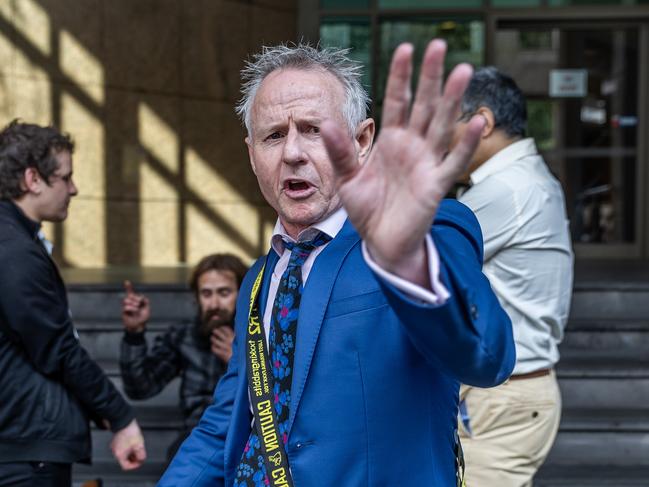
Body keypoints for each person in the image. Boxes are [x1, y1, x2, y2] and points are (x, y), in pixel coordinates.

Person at [159, 41, 516, 487]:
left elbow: (486, 358)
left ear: (362, 140)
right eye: (273, 135)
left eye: (313, 130)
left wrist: (408, 260)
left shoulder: (429, 231)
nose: (292, 152)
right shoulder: (257, 278)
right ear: (252, 154)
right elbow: (227, 423)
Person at [0, 120, 146, 487]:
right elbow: (57, 349)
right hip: (26, 453)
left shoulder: (16, 242)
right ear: (33, 180)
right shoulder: (13, 250)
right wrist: (120, 416)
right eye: (65, 178)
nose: (74, 188)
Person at [454, 67, 574, 487]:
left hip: (502, 400)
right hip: (505, 397)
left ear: (481, 123)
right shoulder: (522, 179)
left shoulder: (509, 188)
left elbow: (413, 257)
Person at [119, 253, 248, 451]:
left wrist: (239, 361)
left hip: (248, 439)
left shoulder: (262, 336)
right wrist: (134, 334)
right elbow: (140, 388)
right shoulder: (184, 337)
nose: (214, 304)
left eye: (224, 293)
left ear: (243, 293)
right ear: (197, 298)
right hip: (198, 439)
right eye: (206, 294)